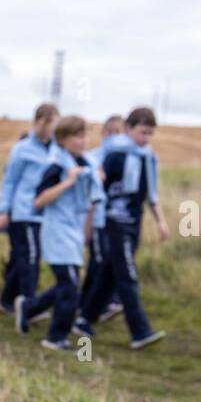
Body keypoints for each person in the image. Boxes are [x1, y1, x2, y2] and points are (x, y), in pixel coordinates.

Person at [77, 106, 167, 350]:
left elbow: (151, 194)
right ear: (128, 129)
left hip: (133, 223)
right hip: (113, 223)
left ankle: (84, 319)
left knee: (108, 274)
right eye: (142, 132)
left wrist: (160, 221)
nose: (145, 139)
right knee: (127, 276)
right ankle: (140, 331)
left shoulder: (148, 158)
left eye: (150, 134)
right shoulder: (113, 154)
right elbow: (96, 189)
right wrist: (90, 222)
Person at [14, 116, 103, 351]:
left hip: (73, 231)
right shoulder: (56, 165)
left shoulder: (86, 165)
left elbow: (89, 202)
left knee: (69, 284)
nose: (83, 141)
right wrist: (68, 182)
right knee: (70, 286)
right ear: (63, 140)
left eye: (85, 136)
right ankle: (56, 337)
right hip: (57, 231)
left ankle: (29, 308)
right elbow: (39, 201)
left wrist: (87, 229)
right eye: (77, 136)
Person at [0, 103, 60, 315]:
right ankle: (30, 306)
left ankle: (6, 300)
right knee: (31, 257)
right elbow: (10, 181)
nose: (50, 127)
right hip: (23, 211)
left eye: (54, 123)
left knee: (21, 257)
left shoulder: (57, 149)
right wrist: (3, 210)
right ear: (38, 122)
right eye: (47, 122)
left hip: (45, 213)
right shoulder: (22, 149)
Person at [79, 115, 124, 323]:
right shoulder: (92, 157)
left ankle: (91, 304)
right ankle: (92, 305)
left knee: (107, 261)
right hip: (95, 219)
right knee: (98, 261)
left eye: (120, 133)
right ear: (103, 133)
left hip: (115, 220)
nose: (115, 137)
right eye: (112, 132)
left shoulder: (126, 159)